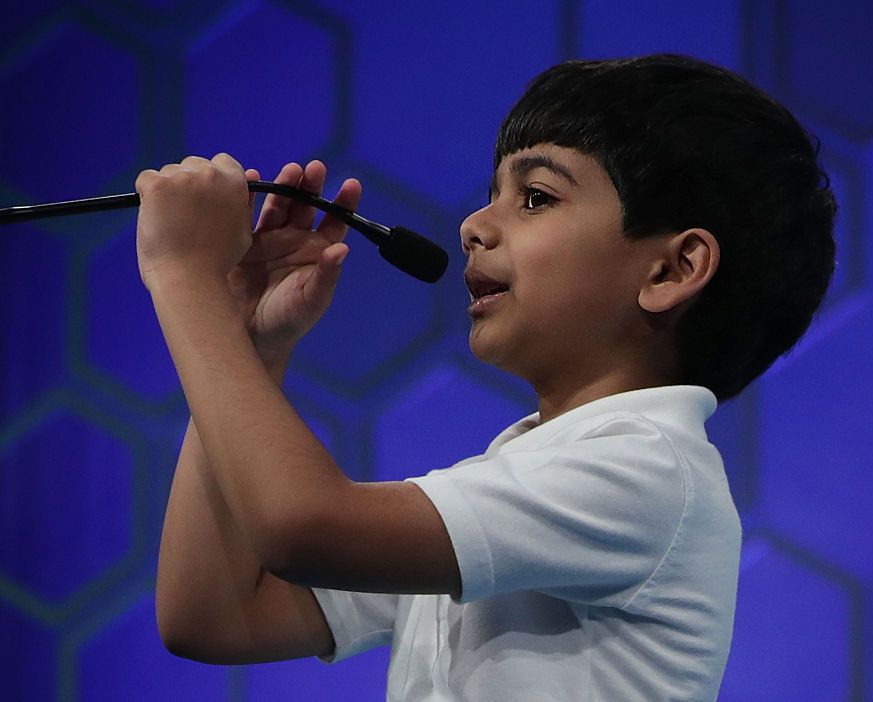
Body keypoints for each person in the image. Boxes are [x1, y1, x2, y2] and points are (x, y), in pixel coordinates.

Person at [140, 54, 836, 700]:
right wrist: (249, 342)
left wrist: (183, 277)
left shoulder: (645, 470)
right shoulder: (519, 481)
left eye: (535, 197)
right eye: (492, 193)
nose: (475, 224)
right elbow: (215, 616)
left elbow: (301, 526)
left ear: (670, 271)